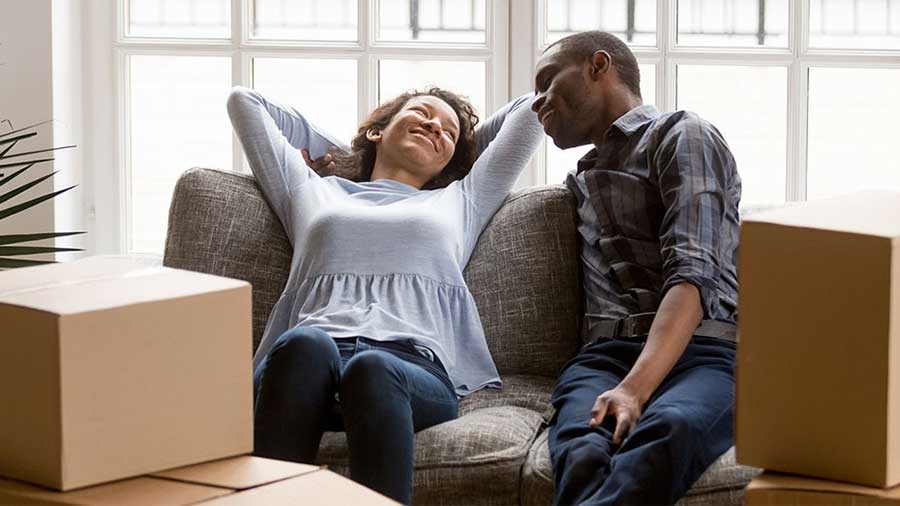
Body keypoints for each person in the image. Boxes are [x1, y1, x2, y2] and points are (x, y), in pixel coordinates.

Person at [226, 85, 542, 504]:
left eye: (448, 130)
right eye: (422, 113)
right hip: (304, 368)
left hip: (409, 372)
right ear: (378, 131)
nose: (435, 125)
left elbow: (534, 107)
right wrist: (343, 154)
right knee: (306, 342)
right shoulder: (309, 192)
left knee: (374, 367)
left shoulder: (462, 200)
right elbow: (244, 102)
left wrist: (456, 149)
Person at [532, 31, 742, 505]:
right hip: (604, 356)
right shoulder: (582, 177)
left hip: (703, 350)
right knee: (583, 449)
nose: (535, 104)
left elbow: (693, 273)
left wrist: (633, 390)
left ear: (598, 66)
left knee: (669, 430)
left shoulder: (681, 133)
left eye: (546, 83)